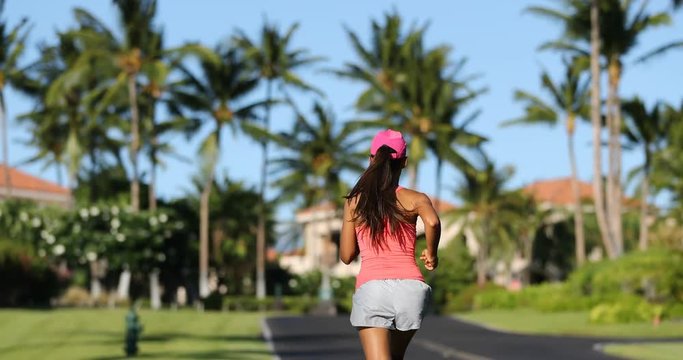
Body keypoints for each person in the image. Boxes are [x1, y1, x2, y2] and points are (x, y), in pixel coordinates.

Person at [340, 129, 441, 360]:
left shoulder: (356, 201)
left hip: (373, 288)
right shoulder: (416, 198)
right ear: (404, 163)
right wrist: (432, 254)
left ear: (371, 159)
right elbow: (433, 222)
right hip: (411, 290)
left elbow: (346, 255)